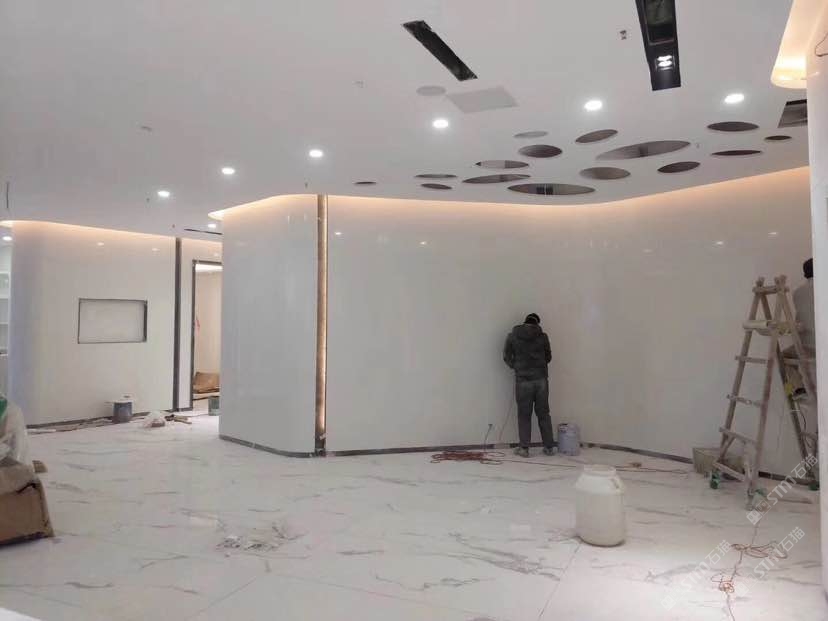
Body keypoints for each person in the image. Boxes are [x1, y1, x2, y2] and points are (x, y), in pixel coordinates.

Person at [503, 313, 555, 457]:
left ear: (524, 322)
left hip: (523, 381)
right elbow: (548, 357)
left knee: (524, 415)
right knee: (544, 413)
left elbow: (506, 356)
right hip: (541, 380)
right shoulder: (543, 337)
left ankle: (524, 449)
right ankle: (549, 447)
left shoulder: (513, 336)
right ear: (537, 323)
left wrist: (516, 367)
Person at [786, 258, 817, 400]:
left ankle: (797, 388)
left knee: (784, 356)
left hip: (807, 345)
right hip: (820, 346)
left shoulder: (797, 293)